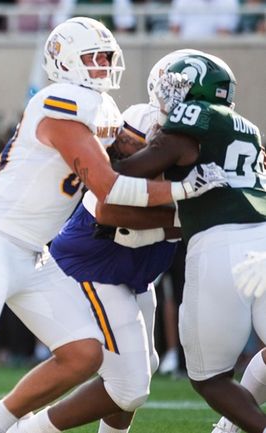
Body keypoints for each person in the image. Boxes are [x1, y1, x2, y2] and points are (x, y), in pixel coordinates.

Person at [0, 17, 226, 433]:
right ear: (65, 62)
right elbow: (108, 185)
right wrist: (188, 191)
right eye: (93, 57)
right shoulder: (60, 101)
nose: (103, 64)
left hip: (35, 253)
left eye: (106, 56)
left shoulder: (101, 106)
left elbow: (138, 154)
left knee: (84, 353)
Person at [5, 50, 203, 433]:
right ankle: (17, 429)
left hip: (140, 260)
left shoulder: (216, 140)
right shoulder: (135, 128)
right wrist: (181, 219)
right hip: (97, 258)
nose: (193, 106)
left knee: (142, 367)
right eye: (182, 94)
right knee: (128, 386)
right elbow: (109, 210)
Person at [112, 53, 266, 433]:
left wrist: (104, 166)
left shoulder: (192, 118)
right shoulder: (248, 127)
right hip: (262, 238)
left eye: (177, 86)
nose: (168, 94)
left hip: (219, 245)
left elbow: (139, 170)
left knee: (209, 378)